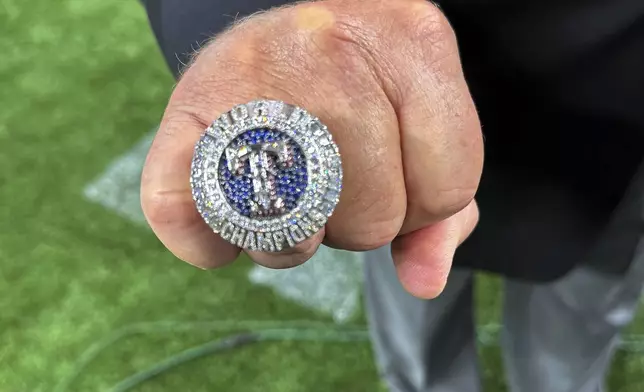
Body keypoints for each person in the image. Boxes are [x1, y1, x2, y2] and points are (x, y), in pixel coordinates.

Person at [139, 0, 644, 390]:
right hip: (386, 124)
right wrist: (268, 19)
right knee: (419, 315)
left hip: (619, 146)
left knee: (574, 334)